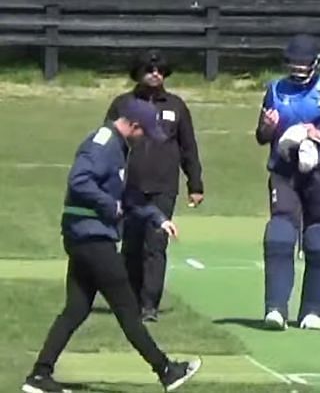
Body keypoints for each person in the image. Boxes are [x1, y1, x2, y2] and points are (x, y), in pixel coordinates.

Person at [22, 99, 201, 393]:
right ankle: (166, 371)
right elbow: (79, 180)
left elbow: (127, 197)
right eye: (144, 132)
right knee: (128, 309)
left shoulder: (118, 148)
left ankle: (39, 376)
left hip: (88, 238)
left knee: (76, 309)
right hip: (92, 238)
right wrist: (109, 205)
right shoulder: (103, 143)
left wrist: (157, 218)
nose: (145, 139)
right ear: (132, 125)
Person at [254, 34, 320, 331]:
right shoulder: (275, 90)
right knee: (280, 233)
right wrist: (267, 128)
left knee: (319, 236)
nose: (297, 71)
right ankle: (275, 308)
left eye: (303, 65)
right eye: (293, 65)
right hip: (284, 170)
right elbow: (261, 136)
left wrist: (317, 134)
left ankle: (312, 310)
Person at [105, 50, 205, 322]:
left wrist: (195, 184)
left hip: (163, 187)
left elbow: (188, 148)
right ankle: (129, 300)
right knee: (131, 245)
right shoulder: (123, 103)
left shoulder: (176, 106)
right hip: (130, 186)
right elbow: (109, 143)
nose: (155, 75)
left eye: (160, 70)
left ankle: (149, 305)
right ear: (138, 73)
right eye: (150, 70)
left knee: (155, 245)